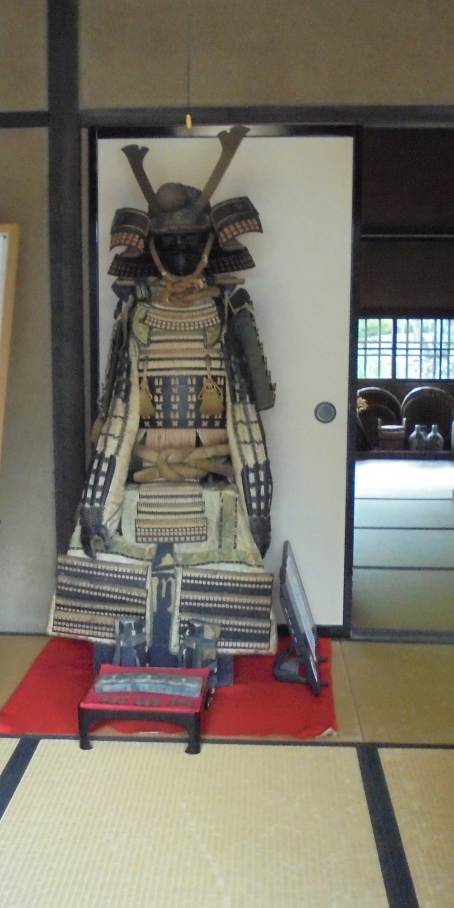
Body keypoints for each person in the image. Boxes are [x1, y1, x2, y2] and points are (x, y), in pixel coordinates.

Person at [48, 127, 276, 686]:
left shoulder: (228, 311)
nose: (179, 254)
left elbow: (246, 413)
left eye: (190, 244)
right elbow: (120, 413)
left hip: (214, 481)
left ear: (210, 246)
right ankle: (124, 656)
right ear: (149, 248)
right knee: (105, 561)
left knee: (222, 578)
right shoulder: (138, 315)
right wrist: (96, 501)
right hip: (143, 478)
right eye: (168, 245)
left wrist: (258, 498)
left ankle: (208, 661)